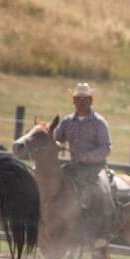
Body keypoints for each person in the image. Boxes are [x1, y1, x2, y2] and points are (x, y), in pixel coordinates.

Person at [54, 82, 114, 248]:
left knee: (100, 191)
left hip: (95, 168)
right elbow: (56, 137)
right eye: (77, 99)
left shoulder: (99, 123)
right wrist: (56, 143)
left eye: (84, 99)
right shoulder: (66, 122)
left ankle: (100, 232)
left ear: (90, 101)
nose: (81, 102)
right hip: (74, 167)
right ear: (73, 101)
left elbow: (105, 148)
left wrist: (86, 157)